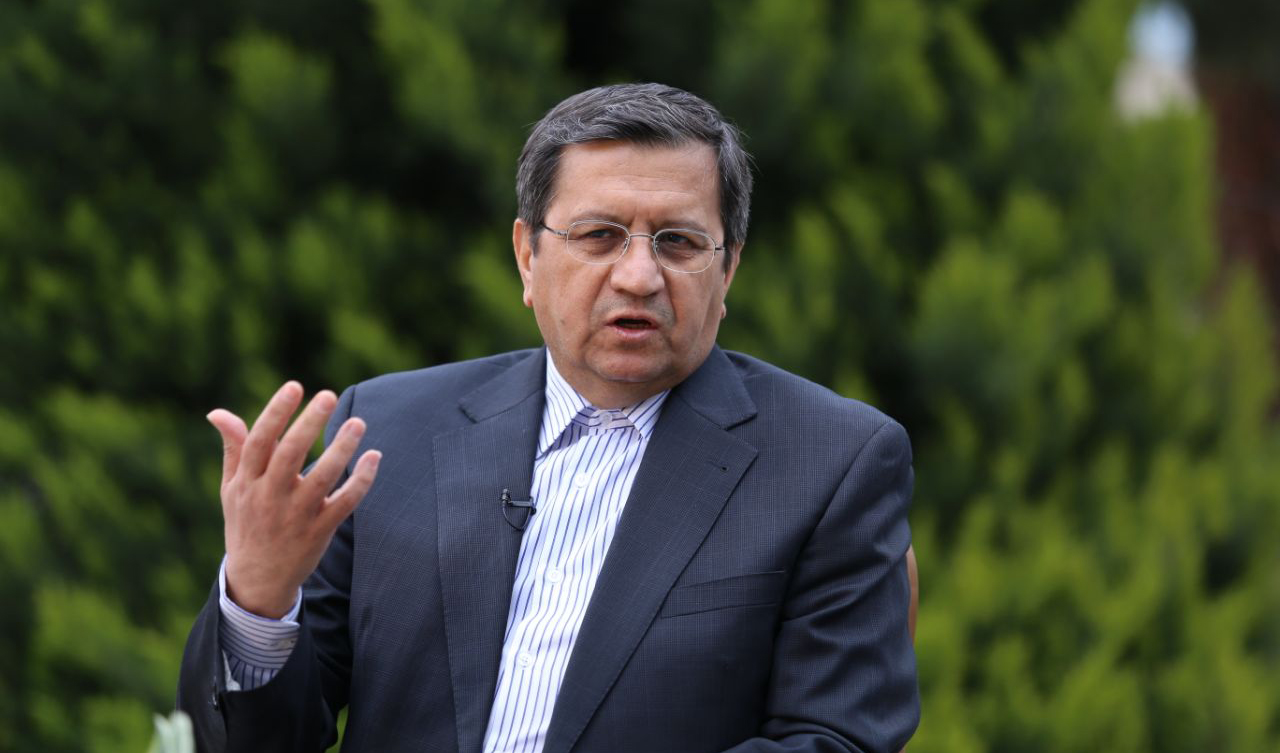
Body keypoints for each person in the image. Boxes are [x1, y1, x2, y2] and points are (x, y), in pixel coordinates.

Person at [177, 82, 919, 753]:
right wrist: (259, 603)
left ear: (727, 270)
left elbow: (835, 739)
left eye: (679, 242)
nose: (638, 275)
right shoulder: (388, 432)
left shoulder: (832, 462)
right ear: (527, 256)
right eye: (598, 236)